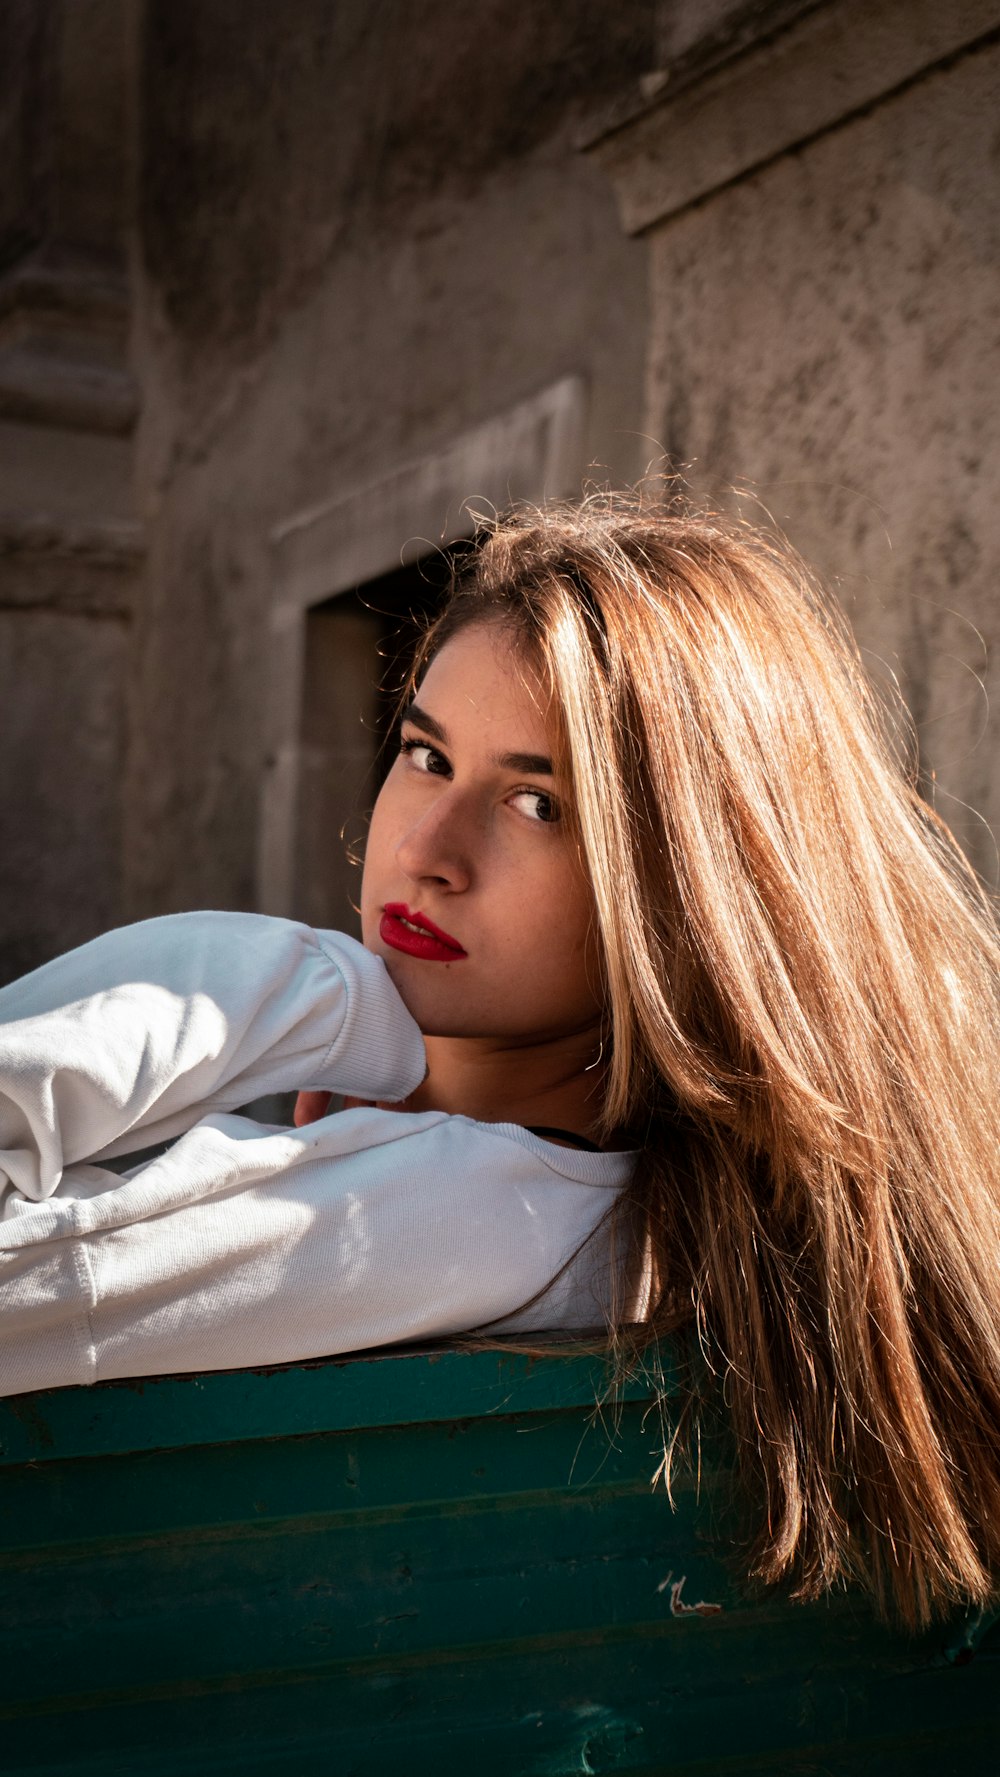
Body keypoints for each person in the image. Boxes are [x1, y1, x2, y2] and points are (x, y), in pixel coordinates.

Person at [2, 496, 998, 1633]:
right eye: (426, 755)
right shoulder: (594, 1214)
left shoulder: (481, 1211)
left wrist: (279, 986)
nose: (426, 851)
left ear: (691, 892)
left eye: (537, 803)